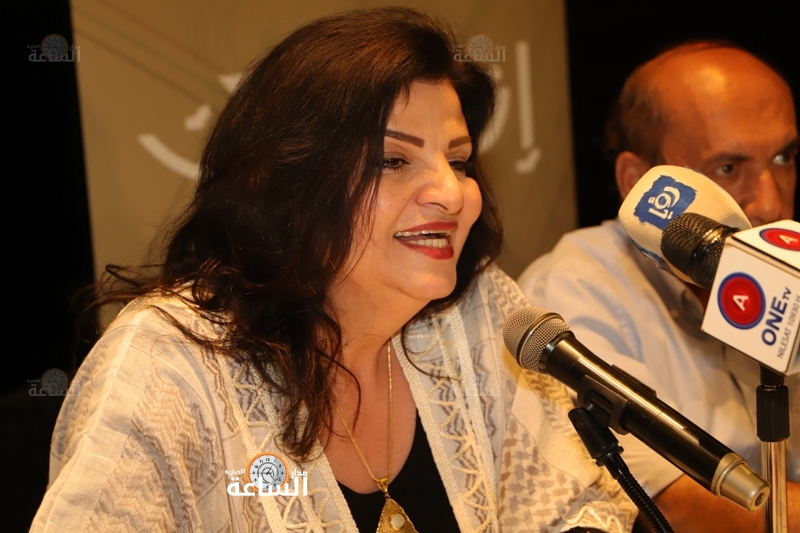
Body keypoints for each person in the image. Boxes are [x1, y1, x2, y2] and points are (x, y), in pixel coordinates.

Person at [32, 8, 636, 532]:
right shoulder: (169, 364)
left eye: (458, 161)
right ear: (291, 182)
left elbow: (576, 504)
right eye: (393, 161)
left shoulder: (478, 312)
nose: (452, 193)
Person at [518, 41, 799, 532]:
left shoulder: (785, 269)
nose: (771, 204)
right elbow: (675, 509)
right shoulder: (574, 288)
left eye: (783, 157)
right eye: (728, 168)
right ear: (639, 181)